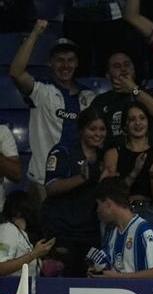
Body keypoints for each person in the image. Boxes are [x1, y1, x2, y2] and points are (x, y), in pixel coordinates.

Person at [8, 21, 97, 206]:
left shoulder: (89, 97)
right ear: (50, 62)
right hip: (43, 183)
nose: (65, 65)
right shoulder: (41, 92)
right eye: (60, 60)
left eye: (70, 60)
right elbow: (16, 72)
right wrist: (35, 33)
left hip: (79, 183)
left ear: (77, 63)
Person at [41, 107, 107, 277]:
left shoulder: (105, 157)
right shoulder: (63, 151)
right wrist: (80, 179)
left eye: (102, 129)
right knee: (59, 284)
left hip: (89, 233)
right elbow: (50, 187)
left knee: (86, 280)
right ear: (81, 130)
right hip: (62, 231)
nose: (98, 134)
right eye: (92, 129)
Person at [101, 102, 153, 236]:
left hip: (150, 213)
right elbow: (111, 195)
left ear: (148, 122)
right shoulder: (113, 154)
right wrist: (134, 172)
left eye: (142, 118)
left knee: (150, 257)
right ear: (125, 125)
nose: (138, 123)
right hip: (120, 212)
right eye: (132, 119)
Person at [86, 51, 153, 149]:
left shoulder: (148, 93)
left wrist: (133, 89)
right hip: (112, 158)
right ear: (108, 75)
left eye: (127, 65)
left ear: (134, 70)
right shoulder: (100, 101)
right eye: (117, 66)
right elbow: (90, 135)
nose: (123, 69)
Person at [91, 177, 153, 279]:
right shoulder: (110, 232)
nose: (98, 210)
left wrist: (119, 277)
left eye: (99, 205)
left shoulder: (143, 230)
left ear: (108, 204)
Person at [0, 192, 55, 278]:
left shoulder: (22, 233)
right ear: (19, 212)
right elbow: (1, 267)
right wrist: (34, 254)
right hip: (11, 289)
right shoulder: (8, 230)